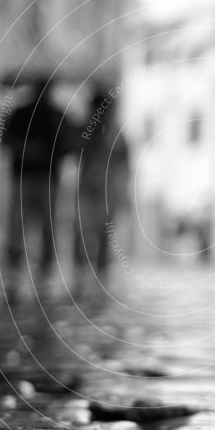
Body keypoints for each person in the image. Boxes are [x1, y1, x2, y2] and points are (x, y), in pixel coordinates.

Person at [3, 79, 74, 303]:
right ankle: (16, 269)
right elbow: (6, 140)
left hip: (46, 179)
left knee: (45, 225)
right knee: (19, 224)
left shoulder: (57, 115)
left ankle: (43, 271)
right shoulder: (21, 113)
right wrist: (27, 150)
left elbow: (69, 144)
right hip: (24, 177)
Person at [73, 90, 130, 291]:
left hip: (107, 189)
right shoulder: (87, 131)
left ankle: (99, 274)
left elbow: (125, 164)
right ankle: (82, 272)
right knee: (82, 230)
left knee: (103, 233)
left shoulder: (116, 133)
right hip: (89, 188)